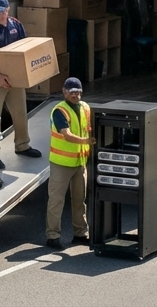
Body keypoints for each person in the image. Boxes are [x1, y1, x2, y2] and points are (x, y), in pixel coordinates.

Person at [0, 0, 43, 169]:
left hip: (14, 77)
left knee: (20, 111)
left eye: (2, 11)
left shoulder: (16, 25)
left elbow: (23, 49)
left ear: (8, 9)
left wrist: (26, 74)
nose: (0, 15)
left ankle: (22, 145)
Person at [46, 77, 94, 249]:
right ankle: (52, 236)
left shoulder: (86, 108)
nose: (75, 95)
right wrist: (86, 142)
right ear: (64, 92)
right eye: (72, 92)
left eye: (78, 92)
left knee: (80, 200)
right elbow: (66, 134)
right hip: (61, 163)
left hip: (79, 162)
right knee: (56, 200)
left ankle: (80, 233)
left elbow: (89, 127)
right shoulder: (60, 111)